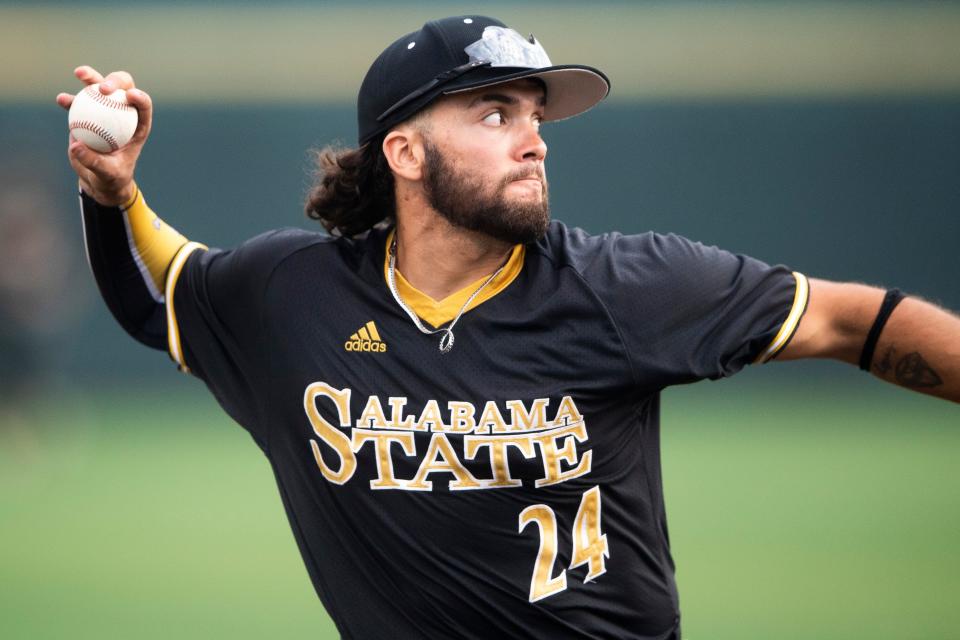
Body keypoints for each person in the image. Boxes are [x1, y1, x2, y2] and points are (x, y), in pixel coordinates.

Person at [58, 15, 958, 640]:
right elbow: (161, 295)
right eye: (496, 113)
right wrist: (113, 196)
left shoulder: (627, 285)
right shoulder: (293, 295)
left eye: (535, 115)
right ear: (404, 153)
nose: (535, 139)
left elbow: (850, 319)